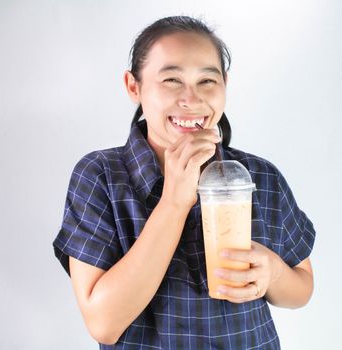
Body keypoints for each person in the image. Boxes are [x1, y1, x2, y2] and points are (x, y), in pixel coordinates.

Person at [53, 16, 316, 349]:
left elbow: (302, 288)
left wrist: (273, 274)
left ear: (225, 85)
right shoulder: (101, 176)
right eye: (172, 80)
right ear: (134, 86)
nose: (191, 99)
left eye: (207, 80)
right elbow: (104, 323)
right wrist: (175, 201)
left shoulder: (259, 175)